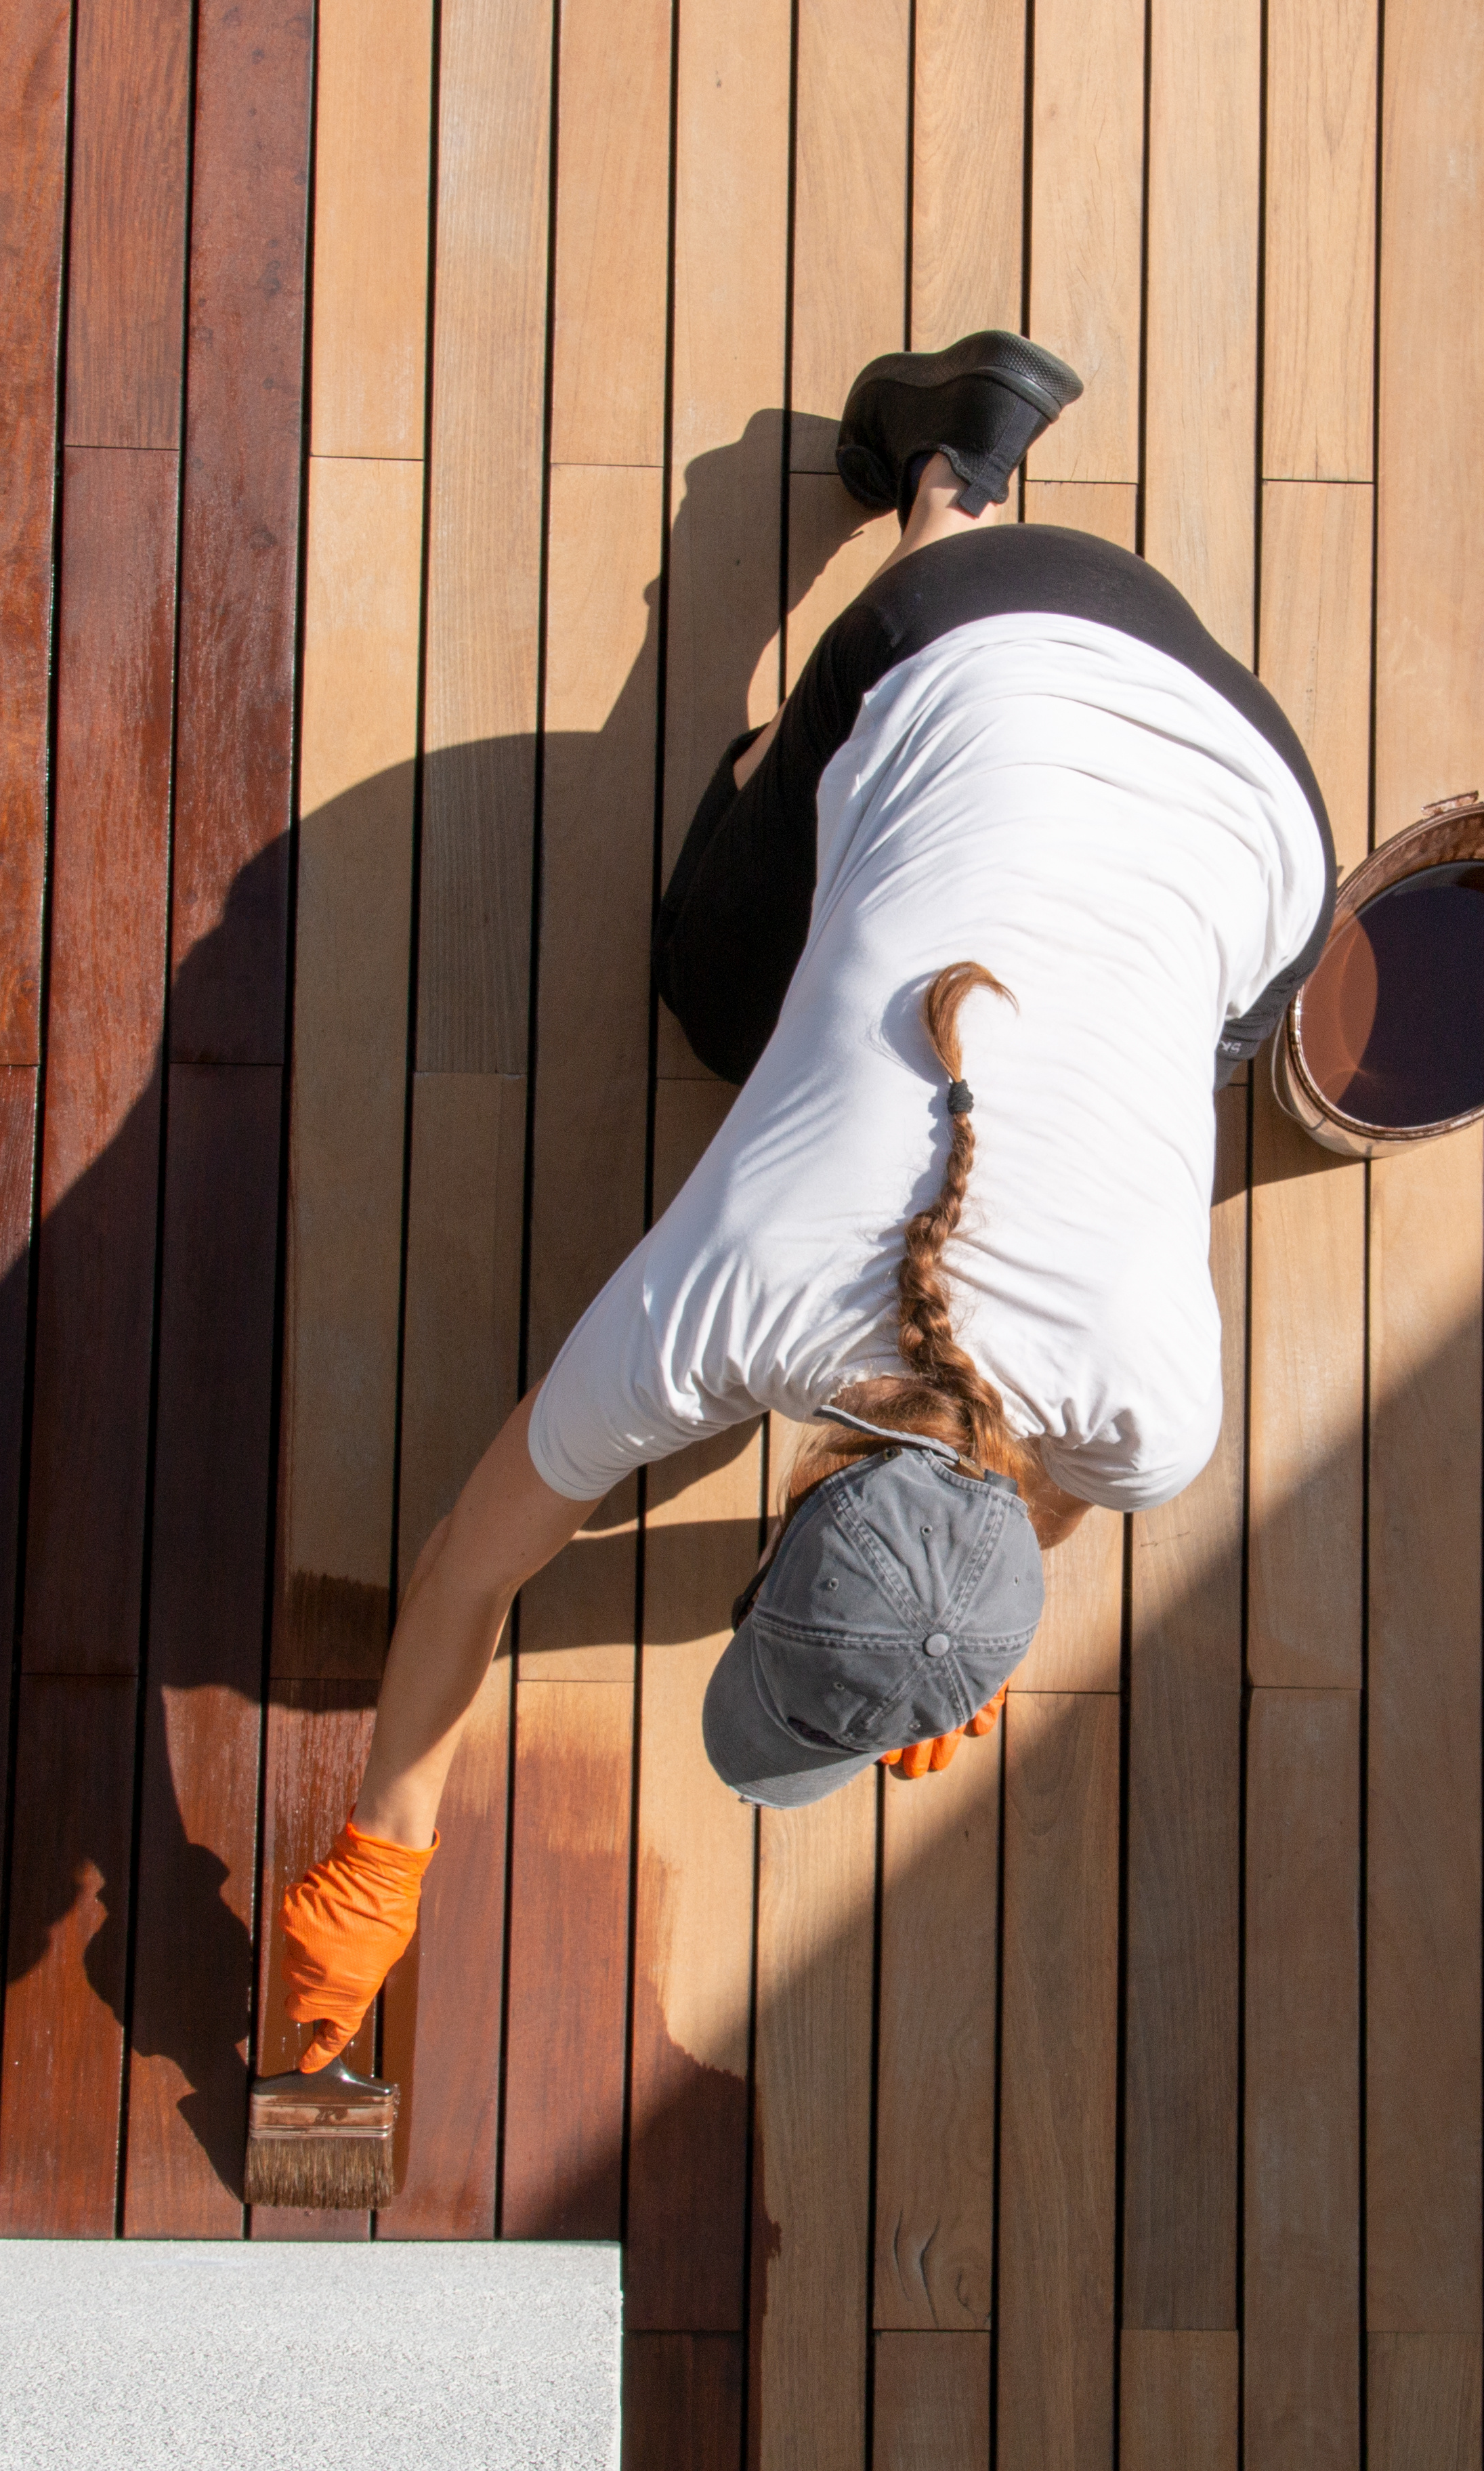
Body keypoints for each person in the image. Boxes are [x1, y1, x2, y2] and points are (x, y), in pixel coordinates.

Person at [269, 333, 1336, 2077]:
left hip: (1268, 808)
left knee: (1008, 923)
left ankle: (958, 533)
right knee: (705, 979)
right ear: (779, 1530)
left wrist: (946, 1628)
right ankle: (948, 481)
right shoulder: (740, 1292)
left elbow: (1049, 1500)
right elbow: (474, 1567)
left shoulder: (1159, 1413)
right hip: (981, 627)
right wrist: (374, 1861)